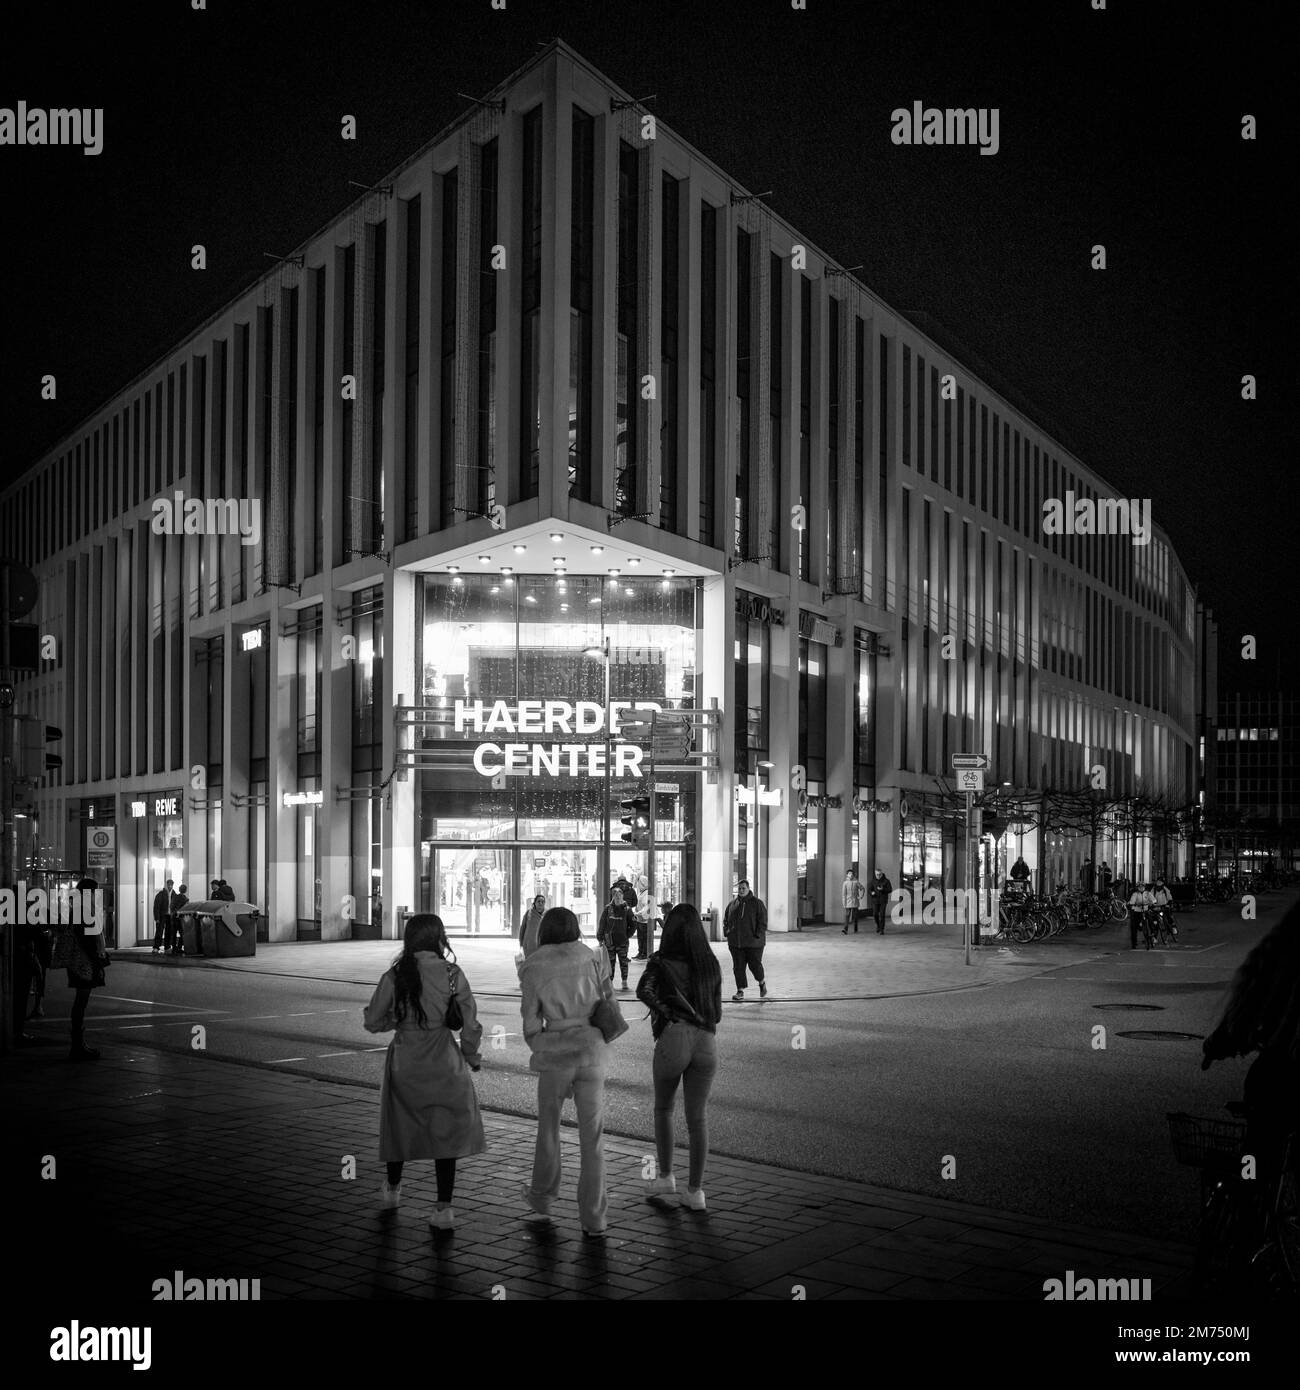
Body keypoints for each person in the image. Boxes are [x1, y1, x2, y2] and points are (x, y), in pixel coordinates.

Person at [363, 913, 485, 1229]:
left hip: (405, 1059)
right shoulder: (452, 974)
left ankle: (392, 1190)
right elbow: (470, 1023)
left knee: (398, 1125)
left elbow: (373, 1021)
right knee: (445, 1134)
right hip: (445, 1060)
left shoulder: (394, 976)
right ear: (438, 938)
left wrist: (398, 1020)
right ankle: (443, 1209)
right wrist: (471, 1056)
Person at [519, 906, 613, 1236]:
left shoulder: (533, 965)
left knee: (548, 1127)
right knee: (593, 1138)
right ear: (575, 928)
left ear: (545, 931)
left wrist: (540, 1043)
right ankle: (594, 1218)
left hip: (555, 1052)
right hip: (591, 1049)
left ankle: (542, 1197)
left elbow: (531, 1021)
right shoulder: (592, 957)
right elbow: (607, 999)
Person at [1201, 902, 1300, 1184]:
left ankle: (1249, 1199)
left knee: (1261, 1144)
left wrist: (1219, 1045)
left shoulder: (1289, 936)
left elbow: (1251, 999)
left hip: (1279, 1070)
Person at [637, 903, 723, 1211]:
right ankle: (696, 1193)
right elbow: (718, 1013)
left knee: (664, 1108)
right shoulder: (710, 963)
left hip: (675, 1037)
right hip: (707, 1040)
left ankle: (666, 1176)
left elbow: (642, 991)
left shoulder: (661, 962)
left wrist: (668, 1012)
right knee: (697, 1119)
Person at [65, 877, 110, 1060]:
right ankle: (77, 1045)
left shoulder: (79, 908)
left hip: (79, 960)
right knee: (81, 1001)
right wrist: (97, 963)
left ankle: (78, 1043)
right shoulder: (84, 910)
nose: (96, 895)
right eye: (95, 891)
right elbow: (88, 940)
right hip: (83, 961)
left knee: (81, 1001)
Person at [723, 879, 767, 1002]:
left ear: (748, 889)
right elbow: (726, 920)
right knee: (738, 967)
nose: (741, 890)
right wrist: (727, 932)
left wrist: (757, 935)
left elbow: (763, 921)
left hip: (754, 943)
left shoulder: (757, 903)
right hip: (736, 943)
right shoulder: (732, 904)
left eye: (744, 888)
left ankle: (762, 982)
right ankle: (740, 991)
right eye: (740, 888)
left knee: (755, 966)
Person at [597, 887, 633, 991]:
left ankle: (624, 981)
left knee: (623, 962)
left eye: (619, 895)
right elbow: (602, 923)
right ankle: (610, 982)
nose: (618, 897)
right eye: (616, 895)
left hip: (622, 941)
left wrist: (627, 935)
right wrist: (600, 937)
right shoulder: (608, 909)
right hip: (610, 941)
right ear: (613, 896)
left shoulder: (627, 910)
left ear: (622, 896)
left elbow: (633, 924)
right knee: (610, 963)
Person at [519, 893, 547, 958]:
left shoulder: (547, 914)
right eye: (538, 901)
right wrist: (521, 943)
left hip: (542, 945)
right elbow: (523, 928)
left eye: (542, 902)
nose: (540, 903)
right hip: (529, 945)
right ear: (535, 903)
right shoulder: (529, 913)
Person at [1149, 877, 1176, 941]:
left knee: (1168, 916)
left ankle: (1173, 927)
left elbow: (1169, 897)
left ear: (1162, 883)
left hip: (1164, 907)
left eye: (1160, 882)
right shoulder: (1153, 890)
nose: (1159, 883)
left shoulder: (1165, 889)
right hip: (1156, 908)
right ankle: (1154, 938)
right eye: (1158, 881)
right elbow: (1150, 897)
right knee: (1155, 923)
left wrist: (1169, 902)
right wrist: (1151, 904)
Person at [1128, 881, 1153, 949]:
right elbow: (1132, 901)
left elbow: (1153, 900)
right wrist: (1132, 904)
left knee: (1151, 921)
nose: (1141, 888)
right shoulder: (1135, 894)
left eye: (1142, 886)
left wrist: (1152, 903)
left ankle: (1152, 934)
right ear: (1137, 887)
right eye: (1139, 887)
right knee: (1134, 927)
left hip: (1145, 910)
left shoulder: (1148, 893)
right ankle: (1134, 942)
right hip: (1137, 911)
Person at [869, 869, 893, 934]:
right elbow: (869, 889)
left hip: (883, 900)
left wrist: (883, 889)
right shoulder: (873, 881)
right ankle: (878, 925)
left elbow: (890, 890)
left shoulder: (886, 881)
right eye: (877, 874)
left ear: (882, 874)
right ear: (875, 874)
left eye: (880, 874)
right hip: (875, 900)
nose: (878, 876)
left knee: (882, 914)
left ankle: (882, 929)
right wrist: (872, 892)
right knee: (875, 914)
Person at [168, 882, 189, 956]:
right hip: (181, 918)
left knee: (173, 933)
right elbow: (186, 909)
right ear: (185, 890)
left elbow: (171, 906)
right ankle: (179, 948)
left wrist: (173, 913)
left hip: (174, 917)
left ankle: (174, 948)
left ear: (179, 889)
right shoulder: (185, 899)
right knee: (182, 933)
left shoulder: (175, 897)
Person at [152, 878, 173, 953]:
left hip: (170, 916)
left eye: (171, 885)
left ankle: (167, 947)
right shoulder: (161, 894)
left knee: (168, 932)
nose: (170, 886)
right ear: (166, 885)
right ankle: (156, 947)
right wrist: (156, 917)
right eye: (169, 884)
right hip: (162, 916)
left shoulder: (173, 894)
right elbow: (156, 906)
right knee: (159, 931)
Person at [841, 869, 865, 934]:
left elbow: (862, 888)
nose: (850, 875)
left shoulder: (856, 882)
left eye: (851, 873)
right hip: (848, 901)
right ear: (847, 875)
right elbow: (843, 894)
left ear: (853, 874)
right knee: (847, 915)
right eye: (849, 873)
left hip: (855, 901)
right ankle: (845, 929)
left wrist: (861, 896)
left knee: (855, 916)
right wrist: (844, 903)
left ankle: (855, 928)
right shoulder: (845, 883)